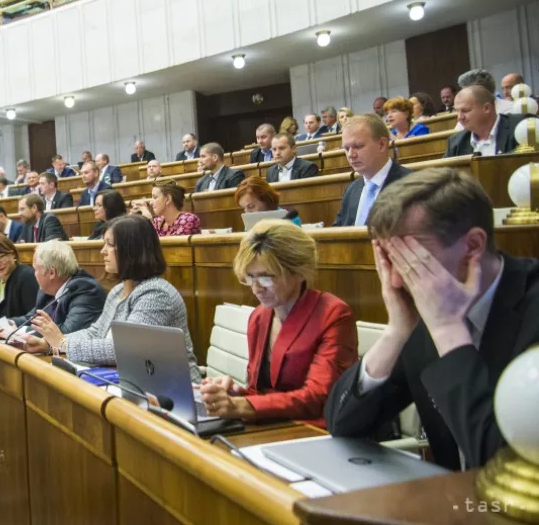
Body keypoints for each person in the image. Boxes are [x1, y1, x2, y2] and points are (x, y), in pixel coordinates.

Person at [326, 168, 539, 471]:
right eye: (389, 260)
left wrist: (448, 330)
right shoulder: (420, 311)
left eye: (413, 259)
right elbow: (342, 424)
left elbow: (503, 464)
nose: (397, 280)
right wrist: (397, 332)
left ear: (473, 246)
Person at [199, 221, 357, 426]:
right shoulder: (259, 317)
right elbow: (261, 391)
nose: (256, 289)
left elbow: (318, 398)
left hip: (314, 432)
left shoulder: (333, 314)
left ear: (299, 272)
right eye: (249, 277)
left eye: (266, 278)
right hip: (272, 426)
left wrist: (241, 405)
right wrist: (235, 394)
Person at [30, 216, 201, 382]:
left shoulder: (156, 294)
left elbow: (124, 349)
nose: (102, 251)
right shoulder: (118, 290)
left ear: (131, 250)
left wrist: (63, 344)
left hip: (175, 390)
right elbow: (96, 332)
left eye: (110, 245)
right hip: (137, 382)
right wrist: (50, 344)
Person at [0, 240, 107, 344]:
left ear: (51, 273)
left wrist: (17, 332)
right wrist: (8, 323)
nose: (34, 274)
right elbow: (32, 318)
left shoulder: (86, 290)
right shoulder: (48, 289)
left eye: (36, 269)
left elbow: (65, 333)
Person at [333, 115, 412, 227]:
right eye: (346, 148)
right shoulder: (351, 190)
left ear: (382, 145)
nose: (351, 154)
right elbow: (338, 235)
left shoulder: (412, 186)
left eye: (358, 146)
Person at [445, 85, 521, 157]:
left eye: (465, 110)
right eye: (457, 111)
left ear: (487, 108)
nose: (460, 117)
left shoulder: (520, 128)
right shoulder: (455, 142)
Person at [132, 180, 201, 237]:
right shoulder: (157, 221)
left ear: (168, 199)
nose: (150, 202)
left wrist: (149, 221)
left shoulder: (189, 220)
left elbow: (173, 250)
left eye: (155, 197)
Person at [236, 177, 302, 226]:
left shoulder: (292, 221)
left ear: (266, 200)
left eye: (251, 206)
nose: (247, 212)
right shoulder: (250, 222)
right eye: (244, 208)